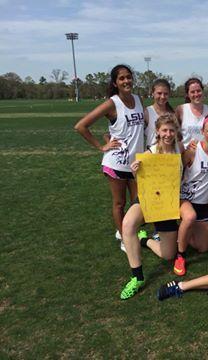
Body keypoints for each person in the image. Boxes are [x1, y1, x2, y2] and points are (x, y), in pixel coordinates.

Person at [74, 64, 145, 249]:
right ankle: (124, 237)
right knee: (119, 203)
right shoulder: (112, 103)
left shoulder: (138, 99)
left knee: (137, 202)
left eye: (128, 77)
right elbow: (81, 126)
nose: (126, 81)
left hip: (136, 163)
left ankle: (130, 230)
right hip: (116, 163)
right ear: (115, 83)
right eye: (121, 78)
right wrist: (101, 146)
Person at [120, 114, 184, 299]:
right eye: (164, 130)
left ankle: (144, 240)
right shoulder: (150, 152)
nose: (168, 134)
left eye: (171, 130)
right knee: (128, 224)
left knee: (169, 255)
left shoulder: (179, 149)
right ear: (157, 131)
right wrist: (135, 171)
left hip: (167, 205)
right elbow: (140, 179)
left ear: (176, 132)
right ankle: (137, 277)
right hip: (148, 199)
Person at [174, 115, 208, 276]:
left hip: (203, 204)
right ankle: (180, 255)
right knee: (189, 217)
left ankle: (176, 232)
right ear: (202, 131)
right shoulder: (193, 150)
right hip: (185, 198)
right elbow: (176, 174)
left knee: (203, 248)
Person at [176, 78, 208, 147]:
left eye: (198, 91)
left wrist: (198, 140)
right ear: (187, 94)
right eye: (192, 92)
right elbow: (175, 134)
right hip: (185, 154)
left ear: (202, 91)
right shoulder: (181, 110)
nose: (196, 94)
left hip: (204, 153)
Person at [145, 79, 175, 148]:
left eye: (166, 94)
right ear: (152, 93)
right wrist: (114, 138)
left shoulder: (173, 114)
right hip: (152, 155)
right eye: (159, 93)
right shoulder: (146, 112)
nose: (162, 97)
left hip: (169, 155)